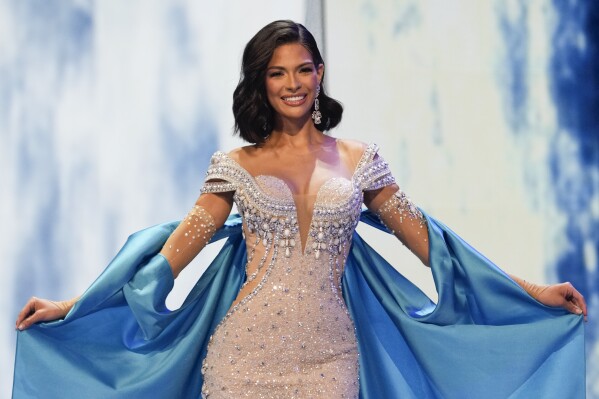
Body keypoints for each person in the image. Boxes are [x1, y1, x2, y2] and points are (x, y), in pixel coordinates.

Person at [14, 20, 587, 399]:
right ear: (261, 83)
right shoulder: (233, 165)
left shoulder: (362, 160)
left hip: (331, 357)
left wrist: (530, 292)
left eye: (304, 69)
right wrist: (73, 307)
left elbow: (433, 246)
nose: (293, 83)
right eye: (277, 72)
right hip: (241, 356)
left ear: (319, 73)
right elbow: (170, 258)